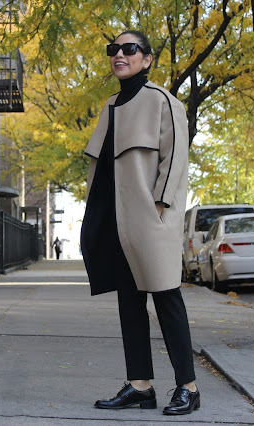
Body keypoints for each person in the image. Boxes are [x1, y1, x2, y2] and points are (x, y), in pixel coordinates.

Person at [80, 30, 199, 416]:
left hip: (151, 217)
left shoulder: (163, 101)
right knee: (129, 302)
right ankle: (140, 386)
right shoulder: (111, 105)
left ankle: (188, 387)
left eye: (129, 49)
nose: (119, 54)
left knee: (166, 297)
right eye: (113, 49)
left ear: (146, 59)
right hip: (118, 221)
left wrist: (159, 205)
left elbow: (175, 157)